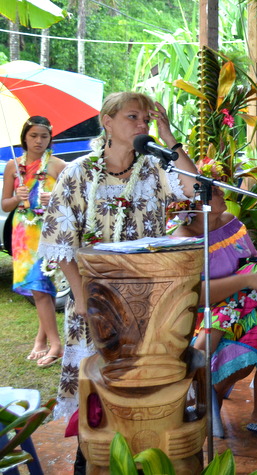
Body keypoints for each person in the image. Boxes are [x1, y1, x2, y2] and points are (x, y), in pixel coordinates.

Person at [38, 92, 200, 421]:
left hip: (148, 297)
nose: (142, 124)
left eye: (146, 119)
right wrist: (82, 298)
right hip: (95, 297)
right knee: (97, 390)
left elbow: (193, 188)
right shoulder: (78, 173)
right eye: (133, 117)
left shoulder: (154, 168)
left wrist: (169, 139)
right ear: (107, 122)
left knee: (146, 383)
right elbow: (60, 241)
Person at [173, 185, 257, 437]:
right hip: (207, 310)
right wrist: (246, 281)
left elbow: (253, 260)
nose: (221, 193)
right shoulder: (183, 238)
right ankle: (199, 390)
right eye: (213, 191)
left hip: (251, 301)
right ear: (194, 203)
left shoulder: (231, 222)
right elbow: (192, 294)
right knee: (246, 347)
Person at [2, 116, 67, 368]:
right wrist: (17, 197)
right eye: (33, 136)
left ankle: (54, 345)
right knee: (39, 288)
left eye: (44, 136)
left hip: (49, 231)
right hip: (23, 232)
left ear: (50, 139)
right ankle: (45, 341)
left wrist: (55, 199)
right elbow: (5, 206)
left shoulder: (58, 166)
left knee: (43, 287)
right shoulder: (13, 166)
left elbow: (73, 202)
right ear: (24, 137)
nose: (39, 141)